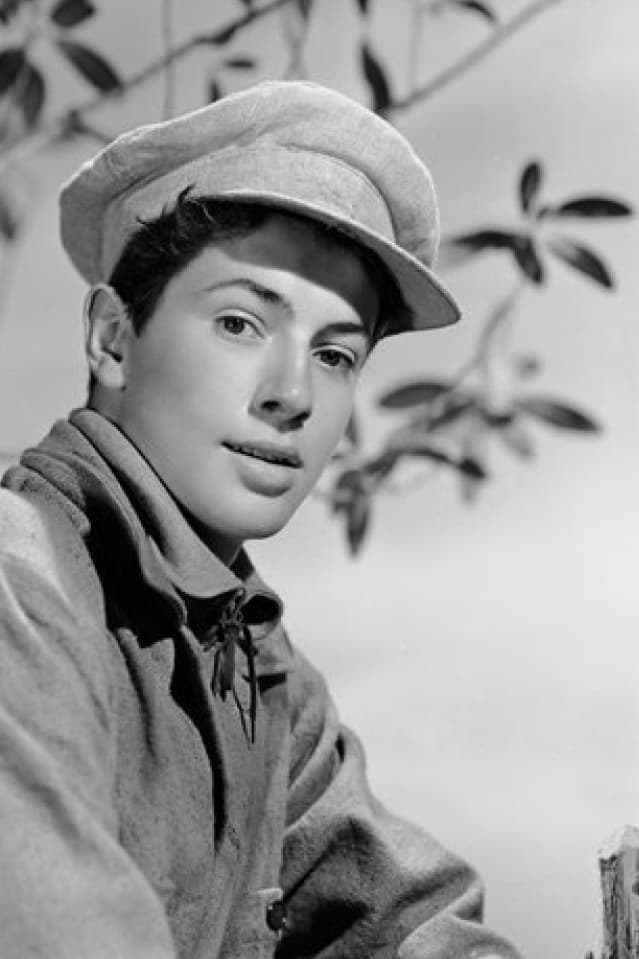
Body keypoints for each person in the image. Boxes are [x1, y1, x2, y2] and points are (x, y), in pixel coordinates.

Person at [0, 81, 520, 958]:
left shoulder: (257, 668)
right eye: (241, 322)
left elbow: (409, 921)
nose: (293, 394)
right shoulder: (24, 582)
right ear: (112, 339)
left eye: (334, 353)